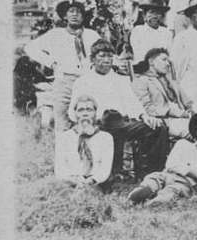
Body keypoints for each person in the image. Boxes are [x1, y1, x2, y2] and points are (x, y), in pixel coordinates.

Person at [70, 40, 169, 179]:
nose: (106, 60)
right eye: (102, 56)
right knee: (108, 123)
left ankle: (149, 173)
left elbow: (133, 103)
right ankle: (108, 173)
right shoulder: (83, 81)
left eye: (110, 56)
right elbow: (73, 112)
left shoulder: (120, 80)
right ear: (92, 59)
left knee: (158, 127)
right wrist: (89, 122)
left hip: (122, 123)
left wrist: (144, 116)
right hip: (97, 124)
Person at [24, 0, 101, 131]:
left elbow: (103, 52)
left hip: (87, 81)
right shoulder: (56, 34)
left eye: (79, 12)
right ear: (65, 16)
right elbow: (30, 47)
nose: (75, 15)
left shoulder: (92, 35)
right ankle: (64, 148)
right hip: (64, 81)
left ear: (83, 16)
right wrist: (51, 62)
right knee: (62, 120)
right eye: (71, 11)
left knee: (87, 117)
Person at [127, 111, 197, 207]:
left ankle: (156, 202)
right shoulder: (183, 145)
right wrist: (193, 172)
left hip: (185, 184)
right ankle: (142, 192)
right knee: (154, 179)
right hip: (167, 175)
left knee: (173, 191)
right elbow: (170, 165)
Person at [55, 95, 114, 189]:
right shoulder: (65, 138)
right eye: (81, 110)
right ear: (75, 114)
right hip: (70, 183)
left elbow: (105, 169)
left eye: (89, 110)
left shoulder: (105, 138)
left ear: (95, 113)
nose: (85, 114)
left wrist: (91, 181)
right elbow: (60, 169)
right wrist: (74, 181)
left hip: (96, 183)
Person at [132, 48, 193, 139]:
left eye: (168, 61)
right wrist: (174, 113)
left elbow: (187, 101)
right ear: (151, 62)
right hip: (165, 120)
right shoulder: (142, 81)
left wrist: (191, 110)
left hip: (184, 116)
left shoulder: (170, 80)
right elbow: (147, 108)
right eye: (164, 60)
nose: (168, 64)